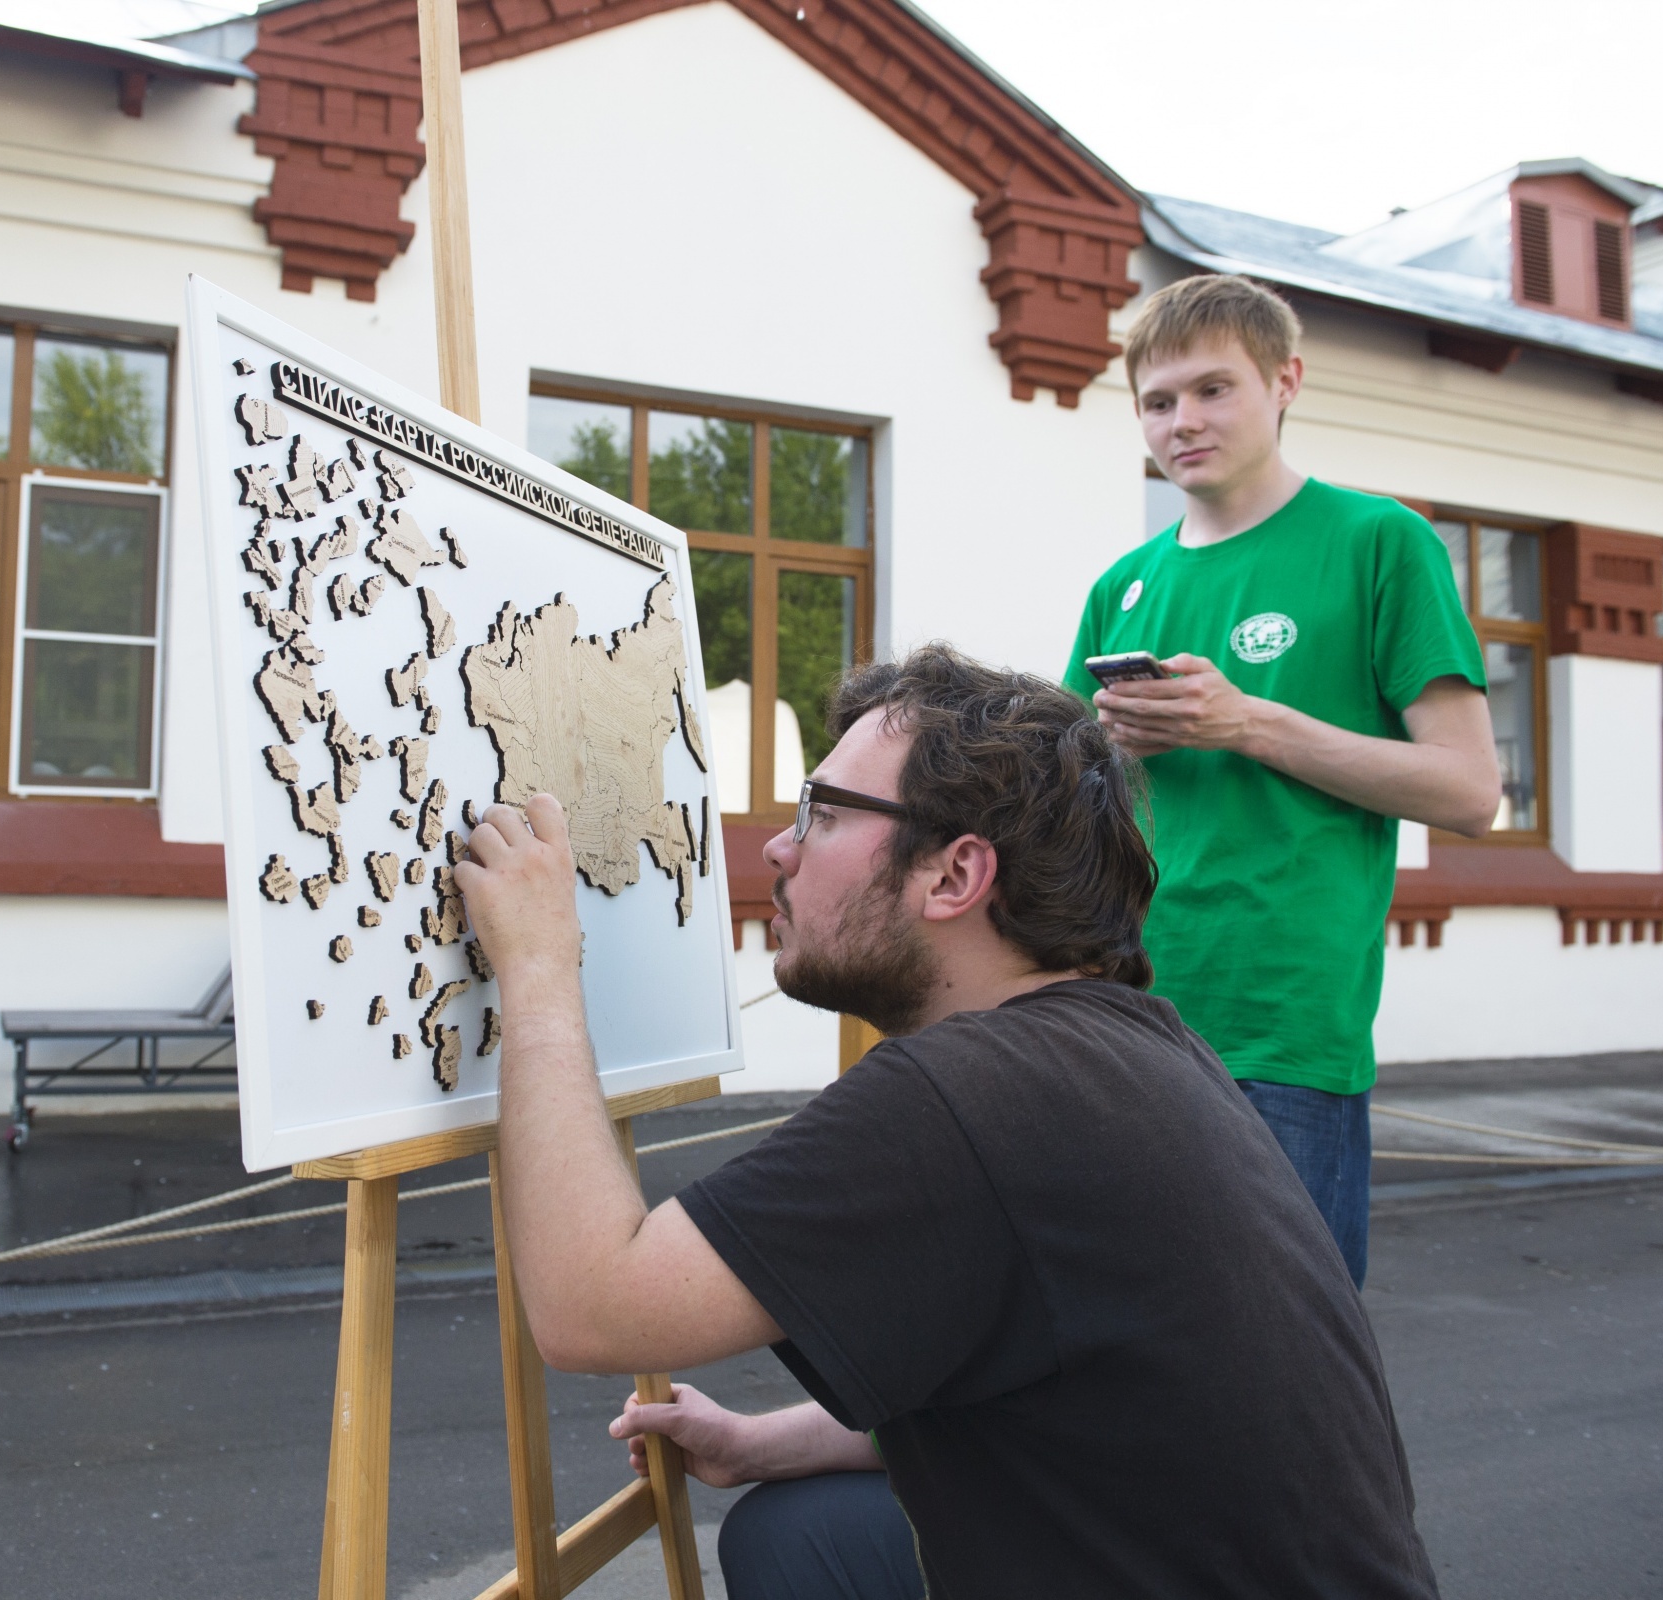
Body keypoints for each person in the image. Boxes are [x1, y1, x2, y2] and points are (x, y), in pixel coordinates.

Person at [455, 646, 1440, 1600]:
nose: (779, 846)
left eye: (825, 812)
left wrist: (538, 966)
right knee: (799, 1534)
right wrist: (764, 1439)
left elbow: (591, 1306)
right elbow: (1063, 1397)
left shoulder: (975, 1094)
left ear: (954, 876)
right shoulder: (1126, 1048)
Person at [1065, 273, 1501, 1287]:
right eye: (1158, 400)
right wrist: (1108, 745)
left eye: (1214, 389)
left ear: (1285, 381)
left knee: (1285, 1360)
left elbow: (1468, 789)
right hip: (1118, 1011)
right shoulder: (1121, 586)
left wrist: (1245, 722)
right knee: (1121, 1348)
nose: (1183, 421)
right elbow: (1069, 804)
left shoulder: (1375, 541)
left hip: (1281, 1027)